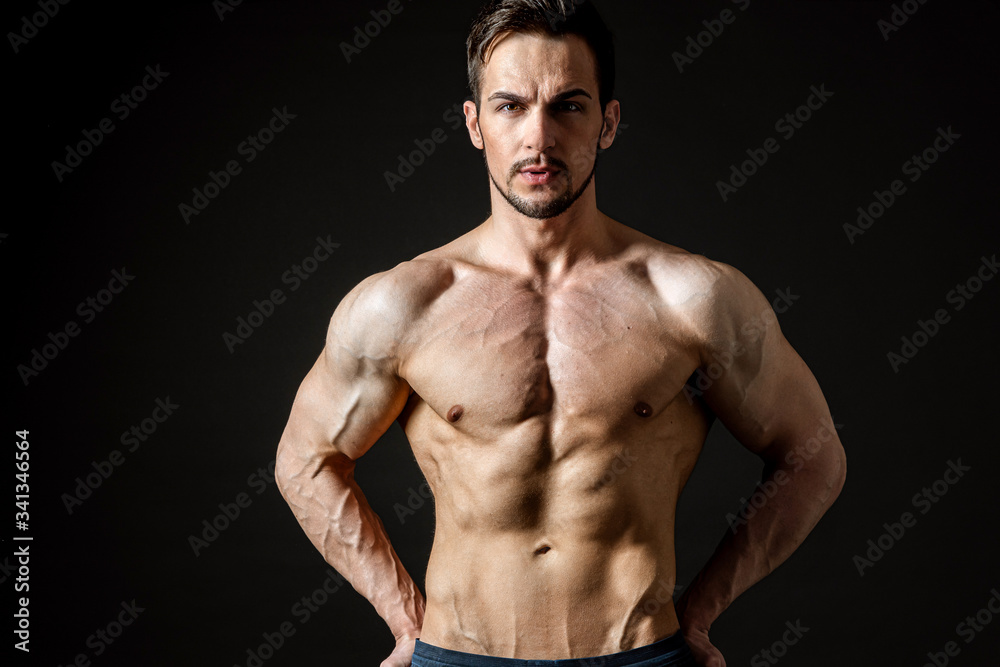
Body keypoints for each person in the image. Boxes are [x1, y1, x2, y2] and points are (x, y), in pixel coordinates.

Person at [275, 1, 846, 665]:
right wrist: (404, 617)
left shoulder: (692, 298)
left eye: (568, 106)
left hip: (638, 655)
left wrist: (699, 614)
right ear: (474, 123)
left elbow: (813, 455)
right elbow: (306, 461)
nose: (539, 137)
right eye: (510, 106)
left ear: (609, 122)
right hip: (461, 655)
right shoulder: (404, 304)